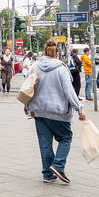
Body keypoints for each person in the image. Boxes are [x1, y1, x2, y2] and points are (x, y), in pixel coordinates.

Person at [26, 39, 85, 184]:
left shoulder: (35, 66)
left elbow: (27, 86)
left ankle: (47, 173)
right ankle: (58, 165)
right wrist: (79, 108)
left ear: (44, 52)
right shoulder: (61, 68)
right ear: (57, 53)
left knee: (45, 143)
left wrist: (27, 105)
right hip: (58, 111)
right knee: (65, 138)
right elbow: (69, 91)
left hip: (39, 110)